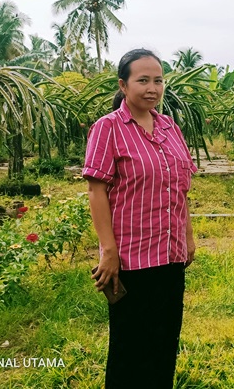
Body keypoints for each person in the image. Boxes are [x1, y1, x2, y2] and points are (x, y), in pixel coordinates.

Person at [82, 48, 198, 388]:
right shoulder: (109, 128)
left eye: (158, 80)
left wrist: (188, 237)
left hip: (170, 253)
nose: (152, 88)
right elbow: (96, 190)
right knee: (130, 349)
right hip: (132, 258)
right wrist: (109, 251)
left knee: (164, 344)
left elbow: (180, 188)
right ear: (123, 84)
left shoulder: (170, 127)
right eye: (142, 80)